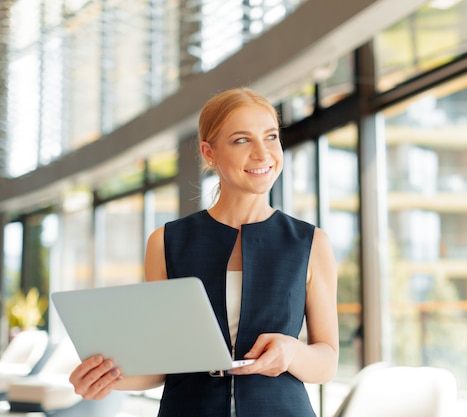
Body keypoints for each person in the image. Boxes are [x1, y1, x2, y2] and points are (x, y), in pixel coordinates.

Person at [69, 87, 339, 416]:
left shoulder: (310, 242)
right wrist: (107, 377)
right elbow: (163, 361)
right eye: (242, 140)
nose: (262, 153)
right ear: (209, 153)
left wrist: (292, 352)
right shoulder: (166, 242)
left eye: (270, 137)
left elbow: (326, 362)